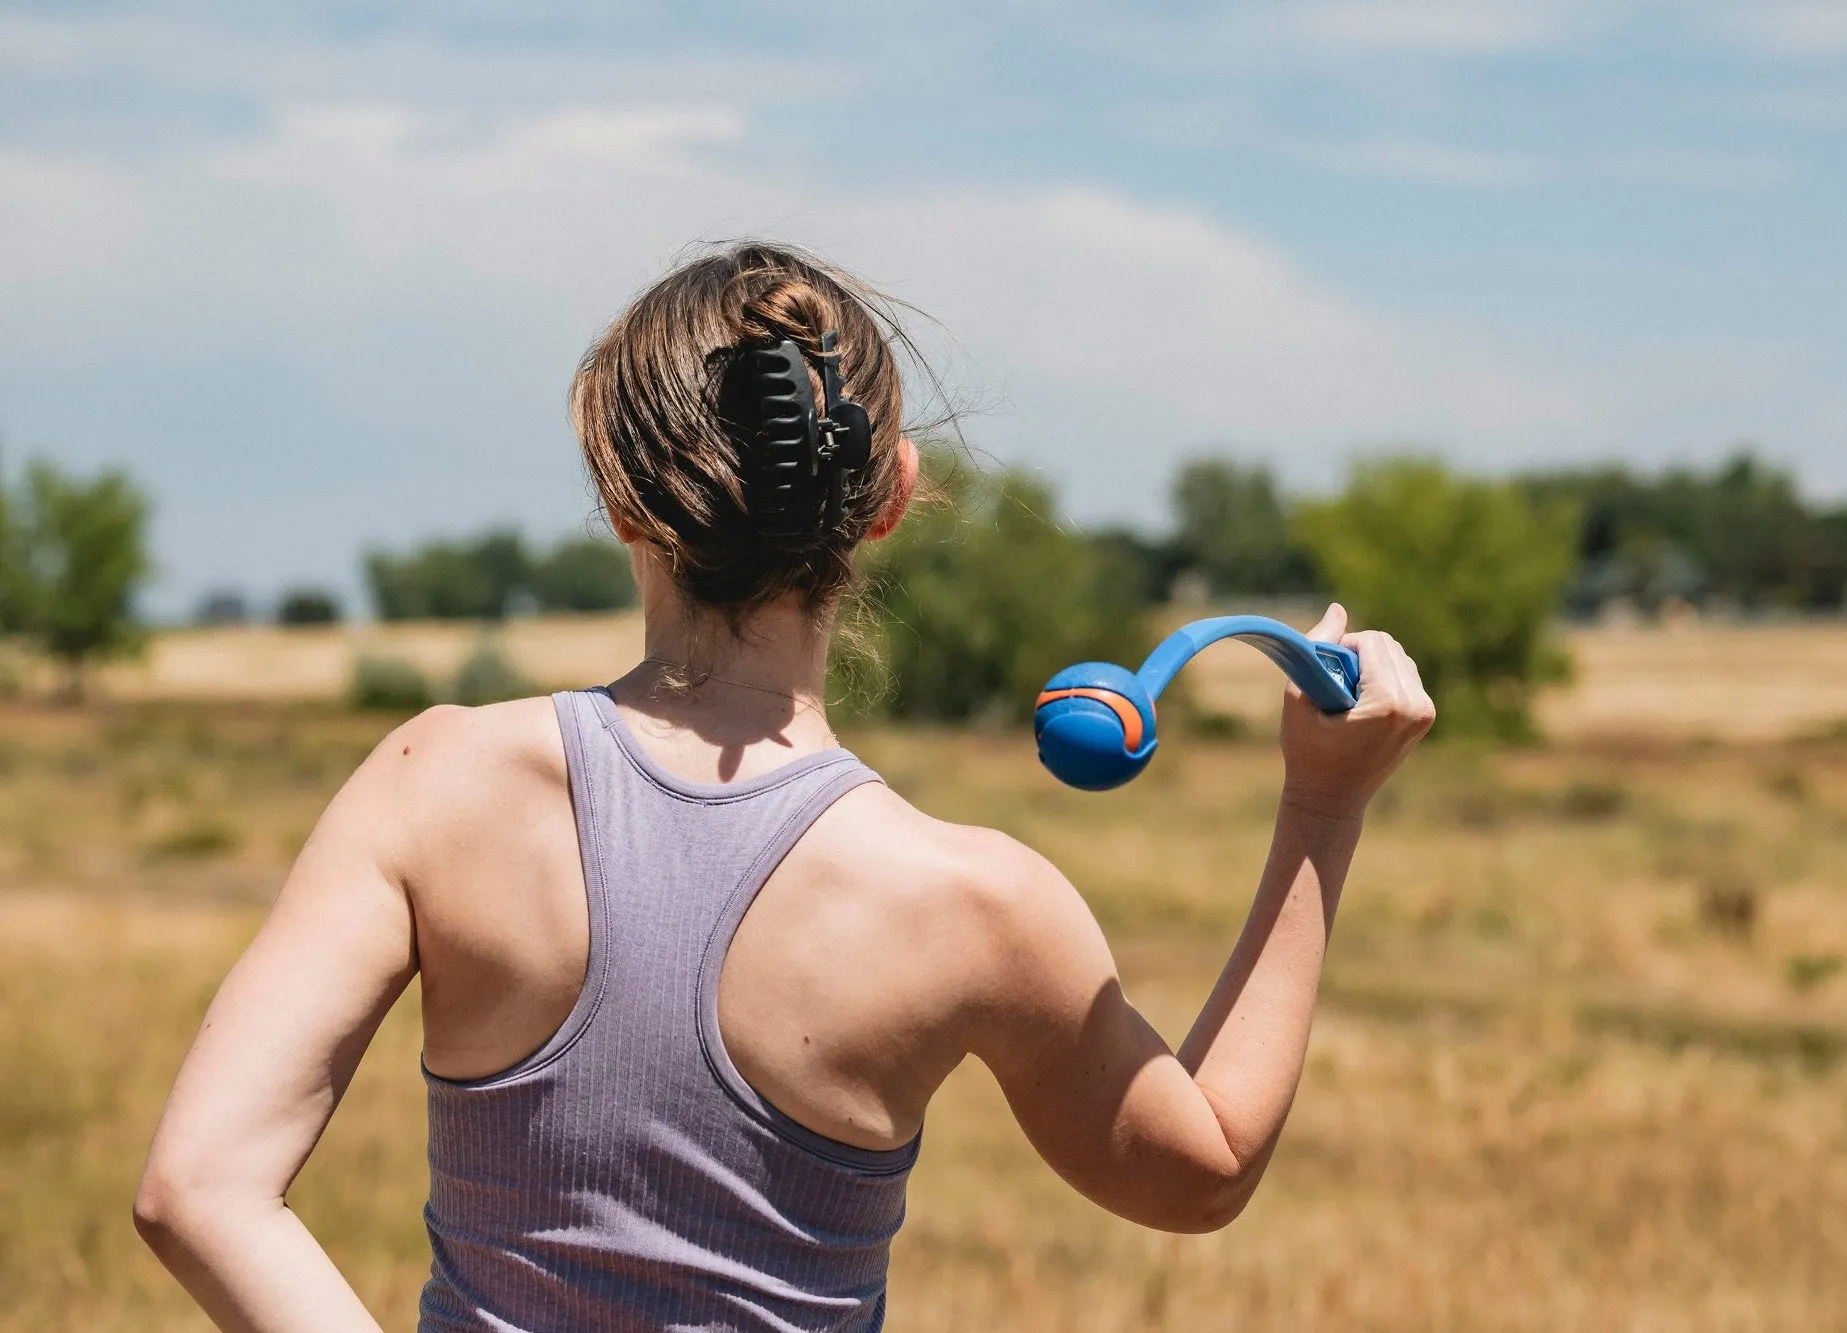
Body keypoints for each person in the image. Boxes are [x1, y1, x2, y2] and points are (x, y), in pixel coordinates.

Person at [133, 242, 1435, 1332]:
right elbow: (1198, 1173)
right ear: (890, 498)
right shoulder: (975, 900)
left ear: (617, 492)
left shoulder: (435, 781)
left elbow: (197, 1188)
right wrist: (1323, 809)